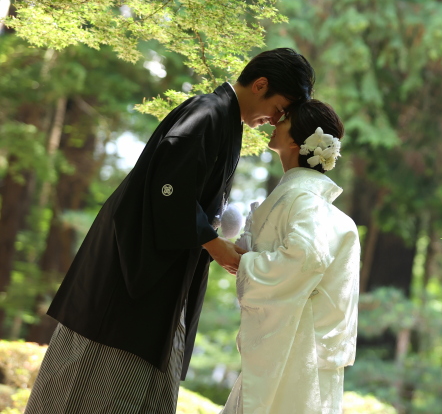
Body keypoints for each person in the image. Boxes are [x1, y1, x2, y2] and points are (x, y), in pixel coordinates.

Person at [24, 48, 315, 414]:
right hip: (131, 279)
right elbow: (168, 187)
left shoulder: (223, 120)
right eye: (279, 108)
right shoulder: (208, 113)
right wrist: (214, 244)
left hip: (161, 280)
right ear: (260, 85)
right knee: (93, 385)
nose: (275, 120)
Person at [221, 100, 360, 414]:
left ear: (298, 141)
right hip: (299, 349)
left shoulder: (302, 197)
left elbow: (306, 259)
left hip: (295, 351)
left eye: (283, 119)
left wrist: (243, 263)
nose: (274, 122)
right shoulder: (313, 203)